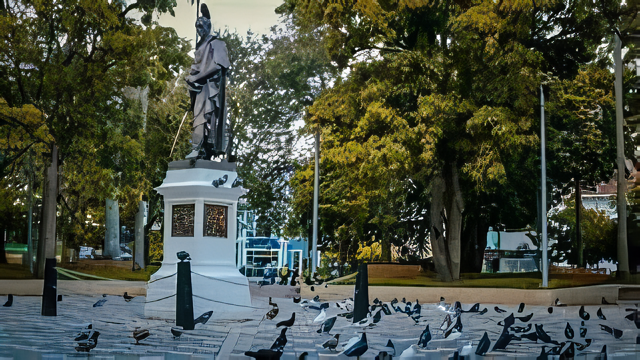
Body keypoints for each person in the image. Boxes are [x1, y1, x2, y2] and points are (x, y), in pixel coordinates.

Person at [185, 3, 230, 159]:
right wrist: (191, 79)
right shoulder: (199, 47)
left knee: (206, 118)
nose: (199, 30)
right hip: (199, 89)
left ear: (208, 26)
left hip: (210, 89)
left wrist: (197, 77)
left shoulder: (216, 43)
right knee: (198, 118)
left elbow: (219, 66)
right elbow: (196, 68)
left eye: (201, 26)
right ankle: (200, 149)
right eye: (197, 27)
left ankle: (202, 149)